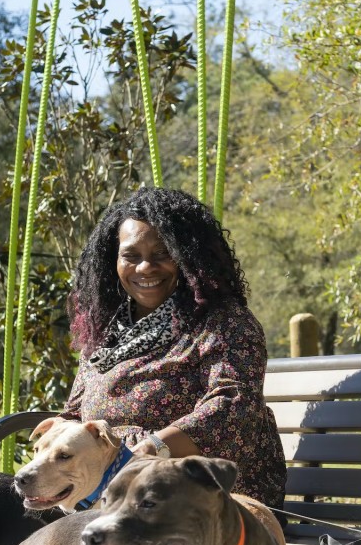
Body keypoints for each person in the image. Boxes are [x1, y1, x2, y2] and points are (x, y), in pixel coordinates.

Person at [60, 188, 286, 508]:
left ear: (188, 257)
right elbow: (73, 415)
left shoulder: (222, 323)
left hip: (205, 499)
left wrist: (151, 450)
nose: (145, 267)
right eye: (131, 256)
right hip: (109, 498)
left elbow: (235, 406)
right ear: (113, 261)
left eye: (163, 254)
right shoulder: (106, 337)